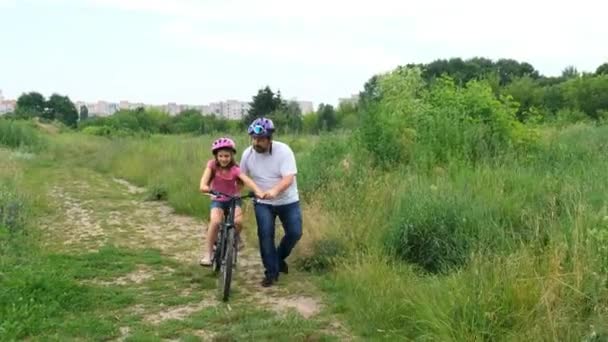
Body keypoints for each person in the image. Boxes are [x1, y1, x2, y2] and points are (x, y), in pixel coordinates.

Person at [240, 117, 303, 287]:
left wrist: (274, 191)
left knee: (295, 233)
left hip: (287, 200)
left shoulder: (284, 151)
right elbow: (242, 174)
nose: (256, 142)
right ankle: (271, 273)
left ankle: (278, 258)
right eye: (254, 138)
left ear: (269, 139)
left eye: (260, 139)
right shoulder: (248, 154)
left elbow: (288, 178)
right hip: (263, 203)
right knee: (265, 235)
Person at [199, 137, 264, 267]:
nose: (224, 159)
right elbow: (203, 184)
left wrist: (258, 191)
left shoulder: (235, 169)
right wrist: (207, 189)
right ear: (216, 156)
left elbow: (246, 180)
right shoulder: (212, 165)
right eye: (221, 156)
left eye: (227, 156)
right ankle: (208, 254)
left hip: (234, 199)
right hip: (218, 199)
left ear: (232, 155)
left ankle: (233, 239)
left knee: (238, 222)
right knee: (215, 222)